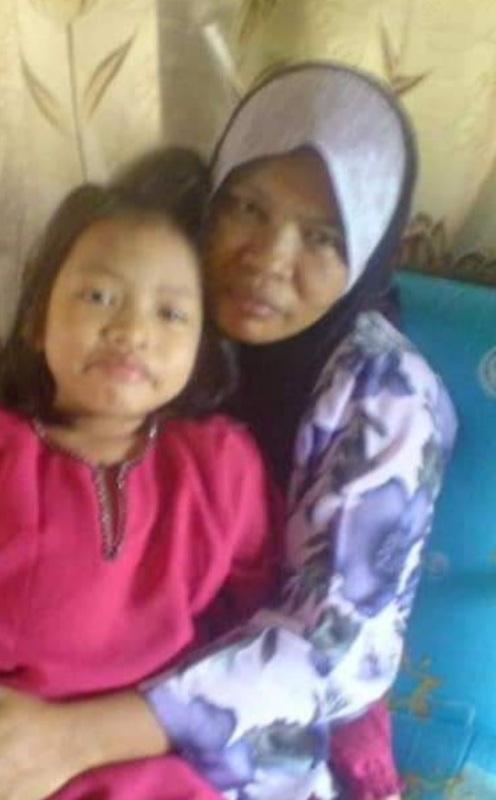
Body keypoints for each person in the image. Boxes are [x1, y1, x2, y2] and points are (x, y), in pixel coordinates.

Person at [0, 64, 457, 800]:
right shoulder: (162, 312)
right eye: (246, 207)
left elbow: (339, 651)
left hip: (240, 739)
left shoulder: (383, 390)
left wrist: (71, 739)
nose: (268, 259)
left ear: (372, 251)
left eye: (322, 237)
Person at [0, 147, 280, 799]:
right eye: (99, 296)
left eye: (170, 313)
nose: (130, 330)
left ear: (201, 347)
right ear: (38, 320)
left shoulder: (220, 466)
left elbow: (277, 619)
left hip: (151, 762)